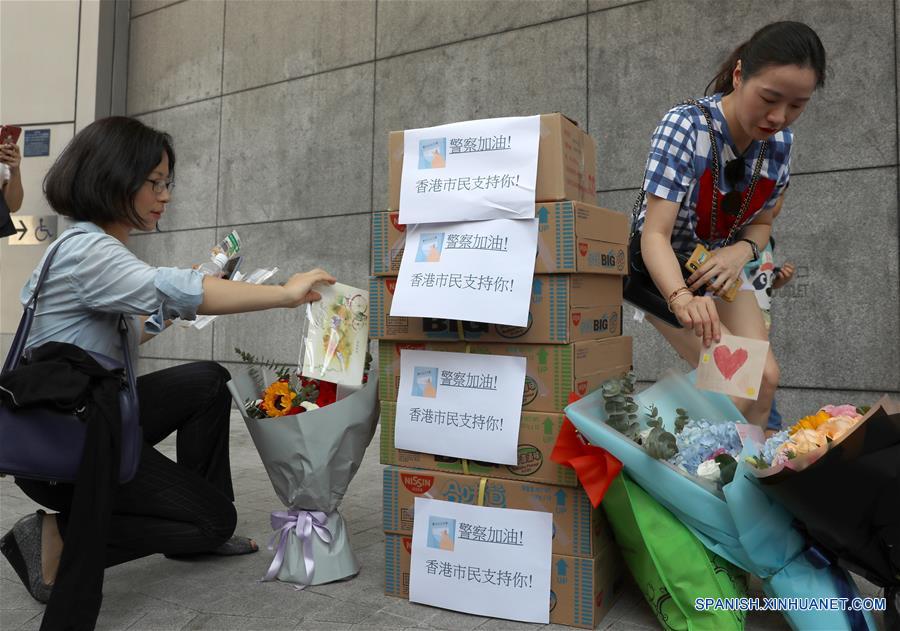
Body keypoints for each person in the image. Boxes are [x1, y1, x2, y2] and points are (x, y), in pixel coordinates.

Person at [0, 117, 335, 617]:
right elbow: (169, 287)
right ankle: (55, 537)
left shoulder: (94, 247)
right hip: (67, 445)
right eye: (154, 183)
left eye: (166, 183)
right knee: (211, 520)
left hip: (92, 412)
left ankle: (196, 512)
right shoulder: (88, 249)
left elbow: (128, 331)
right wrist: (285, 294)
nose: (165, 196)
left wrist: (182, 297)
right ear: (112, 179)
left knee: (205, 380)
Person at [635, 21, 826, 428]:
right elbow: (654, 235)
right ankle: (670, 459)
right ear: (739, 76)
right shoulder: (685, 126)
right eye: (770, 98)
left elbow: (761, 225)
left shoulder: (780, 145)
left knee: (765, 378)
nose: (779, 117)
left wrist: (739, 251)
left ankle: (742, 483)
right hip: (662, 269)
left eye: (797, 105)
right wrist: (682, 300)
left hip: (715, 267)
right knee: (737, 386)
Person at [741, 200, 797, 434]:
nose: (776, 204)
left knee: (764, 378)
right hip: (741, 321)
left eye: (781, 196)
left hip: (761, 323)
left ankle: (768, 436)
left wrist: (779, 280)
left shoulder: (767, 241)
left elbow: (763, 282)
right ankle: (768, 432)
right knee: (756, 379)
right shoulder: (740, 235)